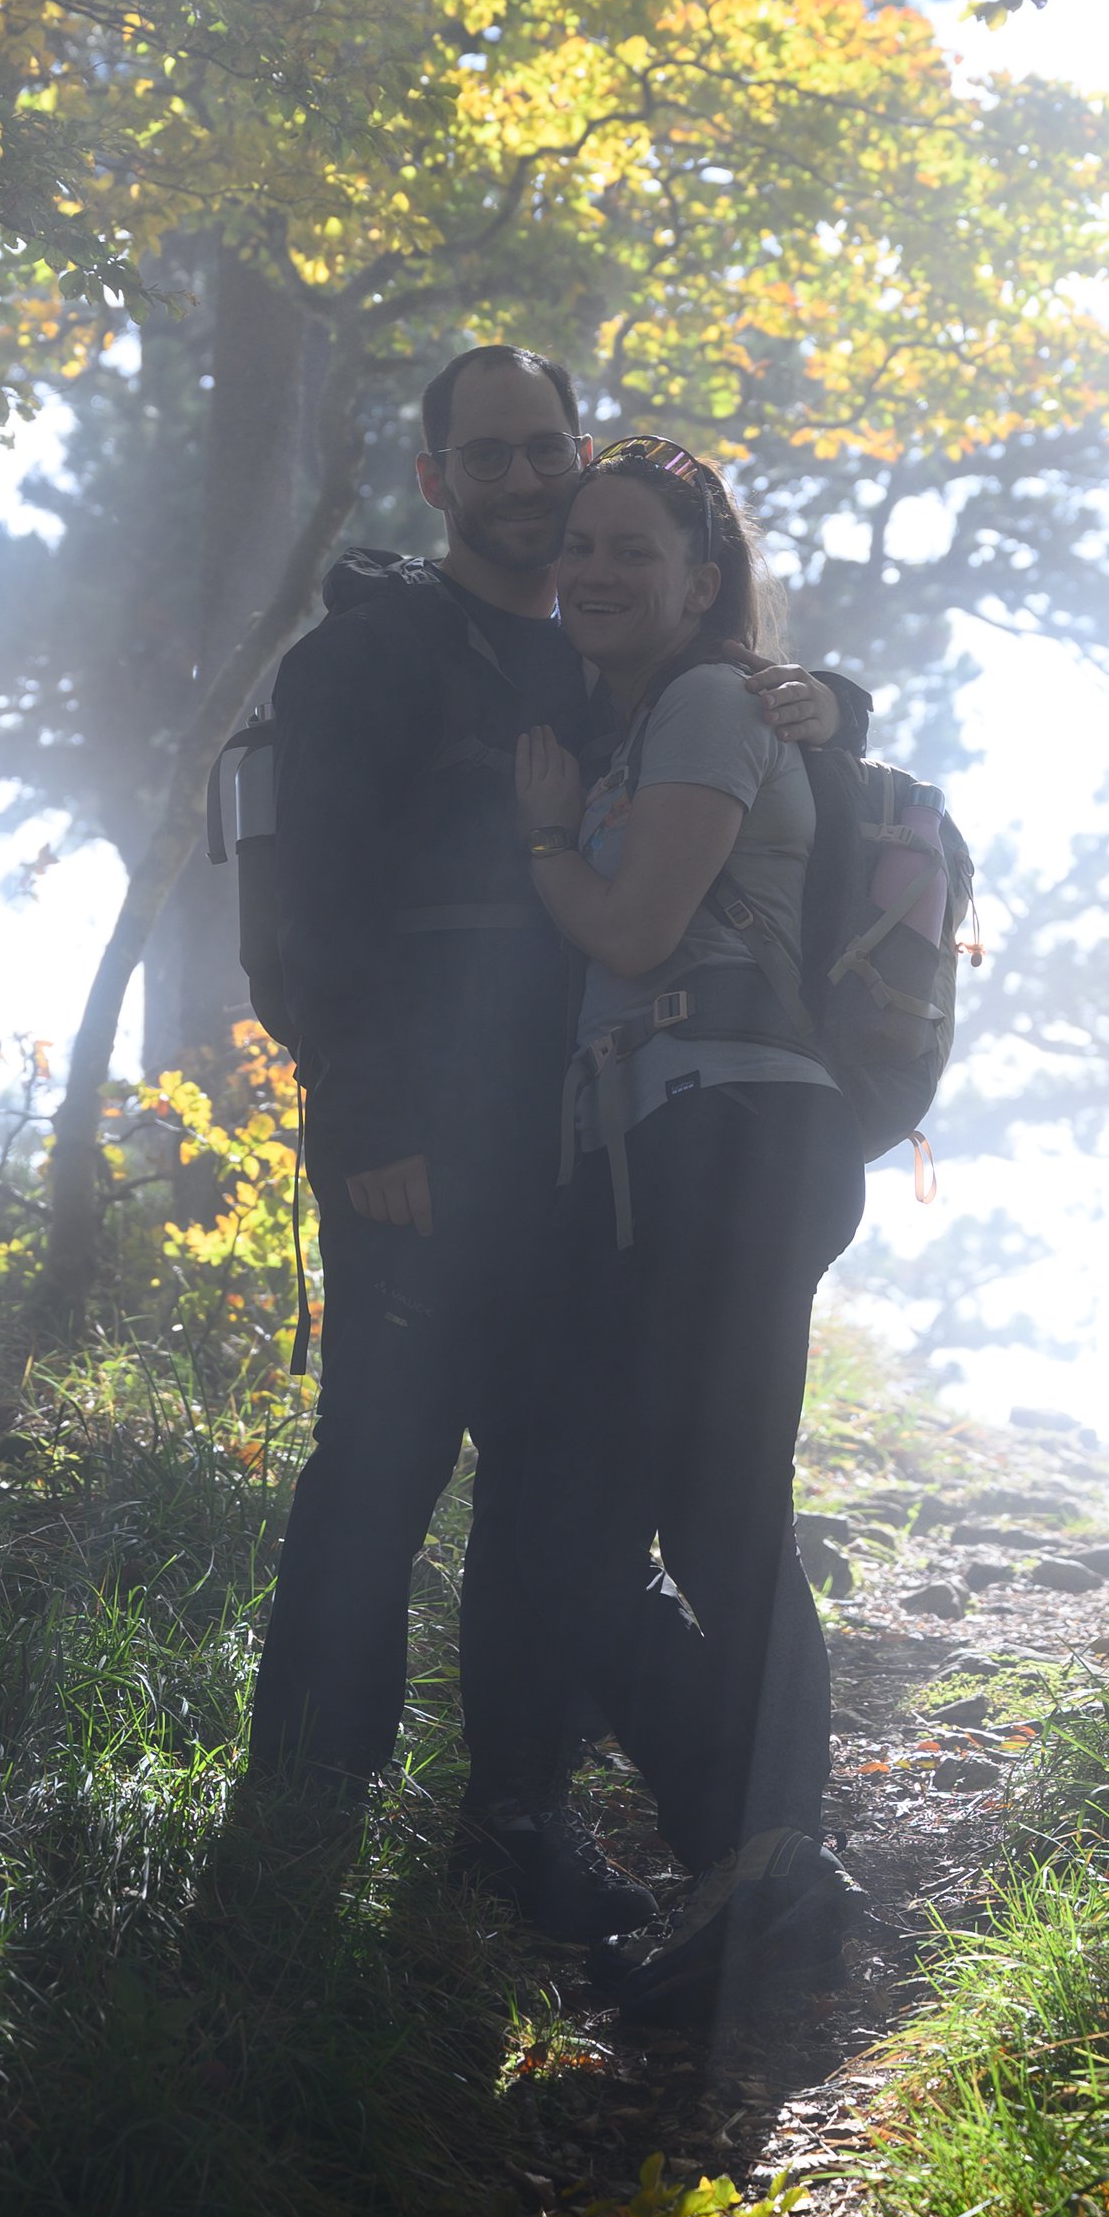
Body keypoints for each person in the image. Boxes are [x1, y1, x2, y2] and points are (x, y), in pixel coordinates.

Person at [244, 346, 860, 1937]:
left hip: (599, 1171)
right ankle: (299, 1834)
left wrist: (831, 702)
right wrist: (369, 1113)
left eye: (546, 453)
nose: (527, 486)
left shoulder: (607, 664)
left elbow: (730, 771)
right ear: (438, 478)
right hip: (417, 1159)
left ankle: (520, 1831)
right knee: (376, 1478)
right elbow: (307, 908)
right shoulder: (367, 661)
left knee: (554, 1505)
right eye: (491, 458)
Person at [510, 437, 868, 2026]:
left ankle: (778, 1866)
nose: (592, 566)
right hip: (681, 1146)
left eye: (632, 547)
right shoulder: (649, 716)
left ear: (701, 576)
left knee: (717, 1518)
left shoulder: (715, 703)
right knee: (604, 1534)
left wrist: (540, 842)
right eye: (576, 542)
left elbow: (641, 928)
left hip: (732, 1139)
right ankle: (758, 1857)